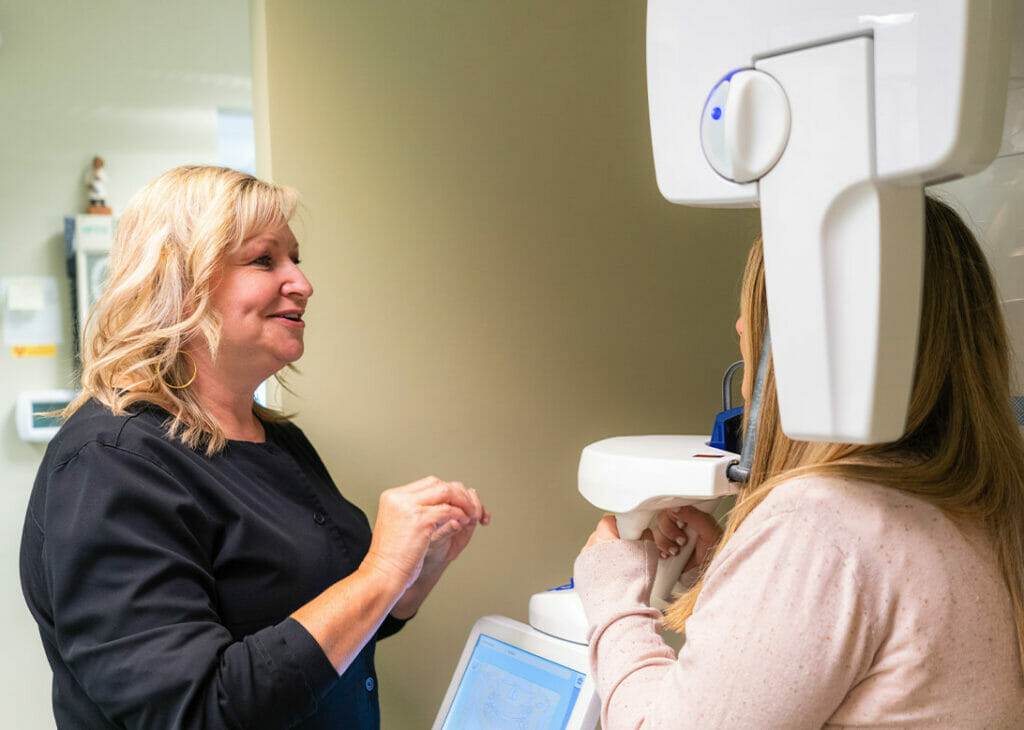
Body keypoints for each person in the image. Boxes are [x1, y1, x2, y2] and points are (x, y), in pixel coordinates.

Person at [20, 165, 490, 729]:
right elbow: (195, 711)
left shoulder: (276, 438)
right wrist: (382, 571)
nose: (301, 283)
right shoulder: (113, 460)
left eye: (296, 258)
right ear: (181, 283)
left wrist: (415, 570)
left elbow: (321, 626)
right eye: (265, 260)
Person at [574, 196, 1024, 728]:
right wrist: (741, 577)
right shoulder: (999, 498)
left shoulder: (820, 527)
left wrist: (613, 601)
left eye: (761, 311)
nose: (741, 327)